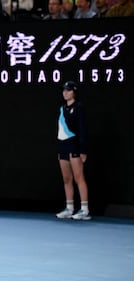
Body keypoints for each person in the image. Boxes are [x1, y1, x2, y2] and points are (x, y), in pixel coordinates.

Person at [56, 81, 91, 221]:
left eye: (68, 90)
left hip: (75, 145)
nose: (65, 92)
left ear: (74, 92)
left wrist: (83, 149)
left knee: (79, 177)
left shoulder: (79, 107)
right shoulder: (62, 108)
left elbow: (82, 128)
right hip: (63, 145)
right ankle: (69, 208)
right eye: (64, 90)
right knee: (66, 179)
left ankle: (84, 209)